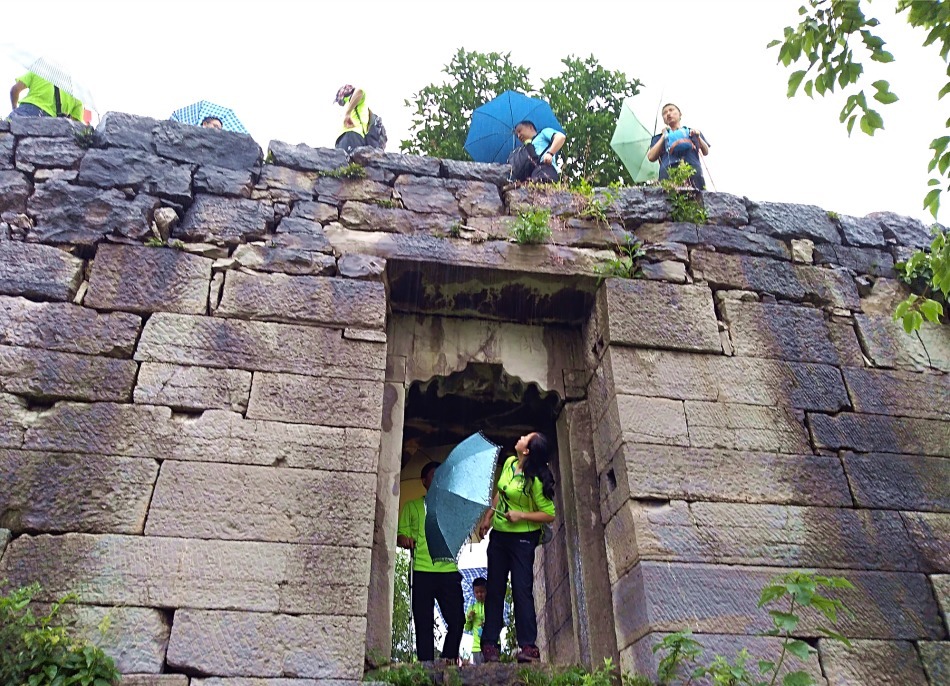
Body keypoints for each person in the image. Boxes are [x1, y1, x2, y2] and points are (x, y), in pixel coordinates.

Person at [477, 432, 556, 664]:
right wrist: (488, 517)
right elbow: (500, 494)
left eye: (525, 437)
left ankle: (528, 647)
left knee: (521, 589)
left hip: (523, 539)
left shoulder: (536, 480)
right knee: (495, 588)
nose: (520, 437)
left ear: (527, 451)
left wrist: (521, 515)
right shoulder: (510, 462)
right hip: (499, 537)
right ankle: (490, 644)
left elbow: (549, 514)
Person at [396, 461, 464, 663]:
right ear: (424, 481)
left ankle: (447, 660)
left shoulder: (452, 507)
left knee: (458, 620)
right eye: (434, 476)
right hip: (422, 570)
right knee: (423, 623)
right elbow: (400, 535)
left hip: (449, 571)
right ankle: (426, 666)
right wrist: (405, 540)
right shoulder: (412, 507)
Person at [646, 102, 710, 190]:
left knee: (697, 199)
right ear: (664, 120)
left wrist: (698, 137)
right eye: (664, 113)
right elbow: (651, 157)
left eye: (671, 110)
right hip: (668, 172)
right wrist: (663, 137)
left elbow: (706, 152)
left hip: (693, 170)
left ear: (680, 114)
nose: (668, 113)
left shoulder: (692, 132)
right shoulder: (658, 138)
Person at [9, 71, 83, 121]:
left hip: (27, 110)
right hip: (53, 123)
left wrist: (14, 108)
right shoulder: (77, 92)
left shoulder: (40, 71)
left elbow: (14, 90)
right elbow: (76, 124)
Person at [334, 84, 370, 153]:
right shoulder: (349, 104)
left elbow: (360, 91)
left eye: (338, 99)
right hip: (344, 138)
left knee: (349, 161)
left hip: (352, 135)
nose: (339, 102)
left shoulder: (353, 100)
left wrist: (348, 113)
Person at [464, 577, 487, 665]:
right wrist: (469, 618)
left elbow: (500, 623)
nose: (479, 594)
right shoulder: (472, 608)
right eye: (477, 592)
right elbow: (467, 628)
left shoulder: (491, 606)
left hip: (491, 646)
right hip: (476, 647)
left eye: (482, 592)